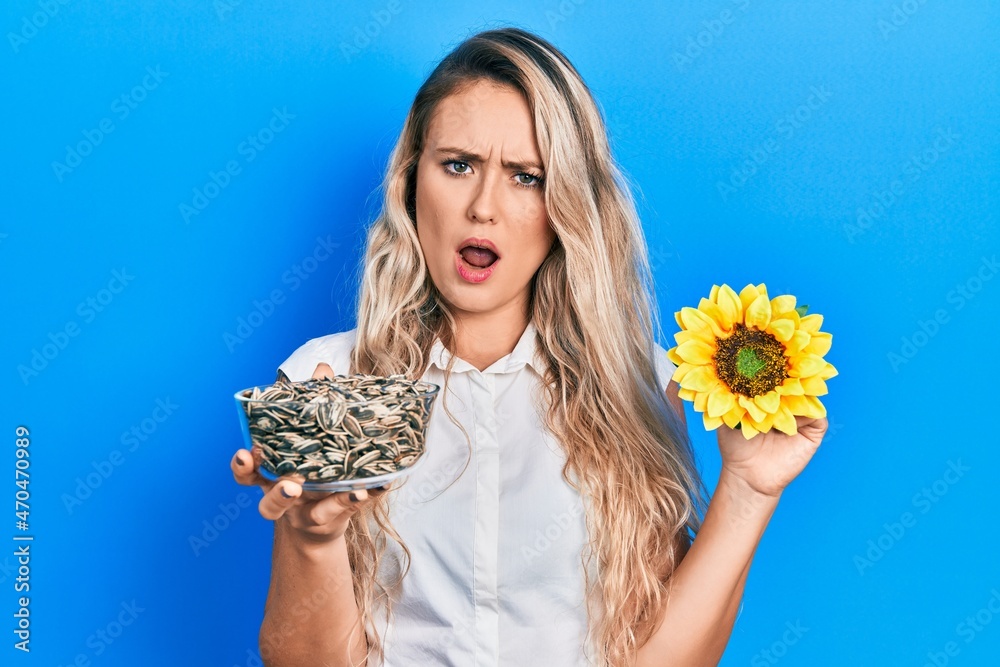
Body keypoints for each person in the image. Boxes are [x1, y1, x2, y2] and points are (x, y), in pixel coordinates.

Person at [231, 26, 828, 667]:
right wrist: (313, 539)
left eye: (526, 177)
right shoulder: (329, 384)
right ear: (412, 182)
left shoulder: (645, 385)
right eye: (458, 165)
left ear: (566, 204)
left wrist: (748, 491)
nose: (484, 207)